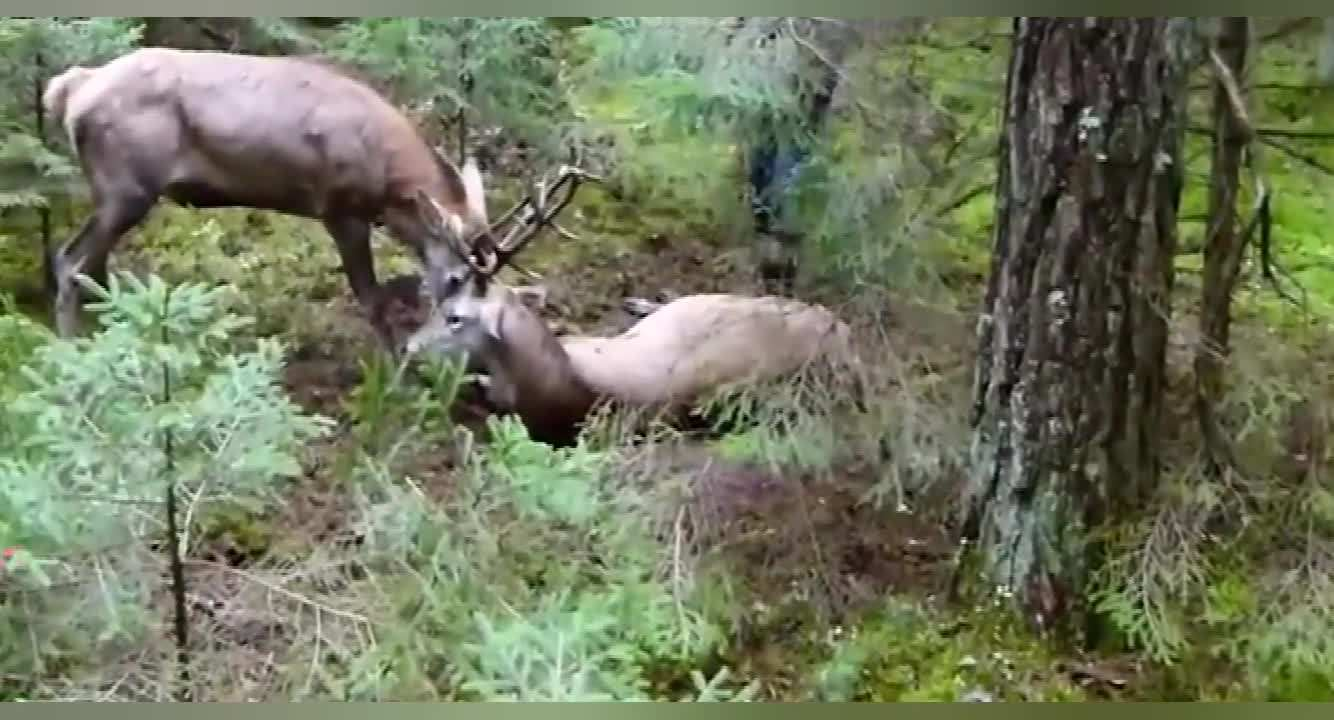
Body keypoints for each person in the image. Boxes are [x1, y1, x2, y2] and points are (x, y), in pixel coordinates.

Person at [733, 18, 856, 294]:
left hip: (807, 66)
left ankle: (781, 265)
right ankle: (773, 262)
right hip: (770, 65)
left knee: (789, 162)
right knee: (766, 160)